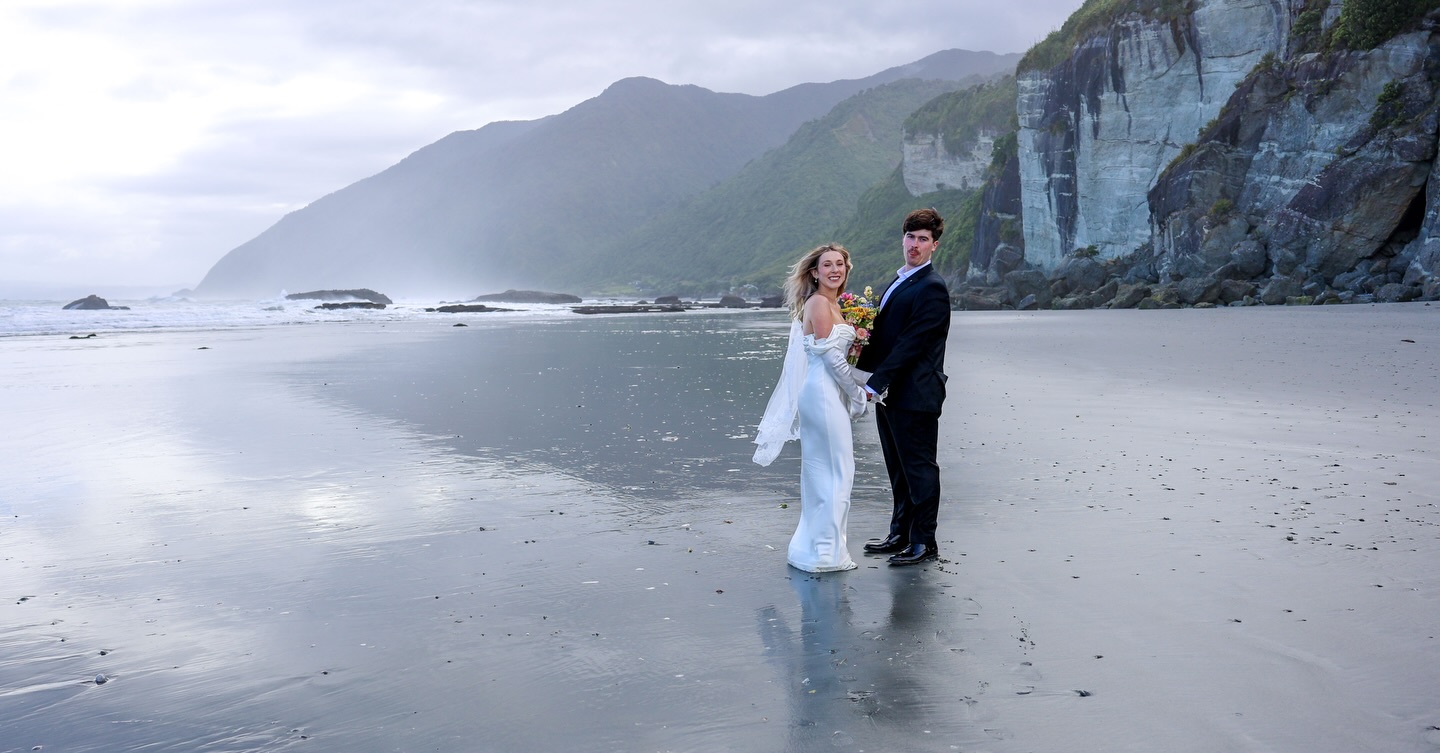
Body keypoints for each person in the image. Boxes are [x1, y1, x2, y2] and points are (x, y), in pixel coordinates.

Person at [753, 244, 868, 572]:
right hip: (822, 393)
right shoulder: (818, 303)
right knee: (836, 470)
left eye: (840, 264)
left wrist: (865, 382)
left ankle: (819, 549)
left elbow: (841, 357)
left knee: (825, 470)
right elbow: (831, 357)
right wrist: (858, 395)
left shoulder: (833, 303)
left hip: (825, 391)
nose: (835, 269)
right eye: (827, 265)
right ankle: (825, 553)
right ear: (814, 272)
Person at [855, 208, 951, 566]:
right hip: (891, 393)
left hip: (915, 393)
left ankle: (924, 541)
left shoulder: (932, 288)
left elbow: (913, 342)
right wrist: (856, 362)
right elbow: (886, 336)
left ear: (934, 246)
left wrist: (874, 383)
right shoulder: (902, 280)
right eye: (910, 237)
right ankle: (900, 533)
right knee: (897, 467)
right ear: (903, 239)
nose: (915, 245)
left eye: (923, 239)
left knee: (920, 469)